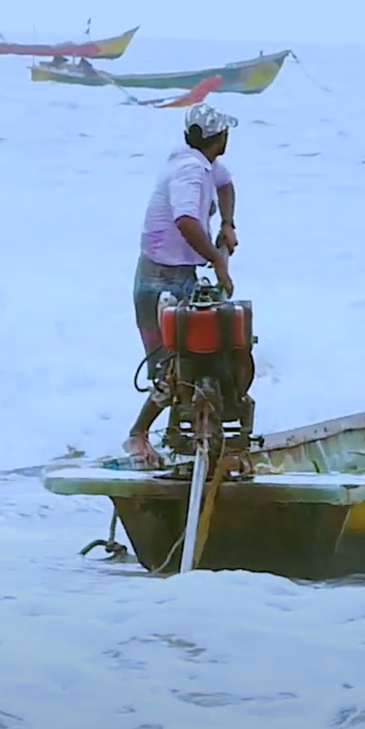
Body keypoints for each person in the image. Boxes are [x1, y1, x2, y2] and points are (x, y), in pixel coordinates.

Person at [122, 103, 241, 465]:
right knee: (171, 366)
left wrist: (227, 223)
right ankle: (138, 435)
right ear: (219, 137)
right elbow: (186, 220)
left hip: (182, 272)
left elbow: (226, 185)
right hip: (159, 278)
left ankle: (179, 435)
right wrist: (217, 260)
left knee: (198, 355)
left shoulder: (204, 164)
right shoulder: (190, 171)